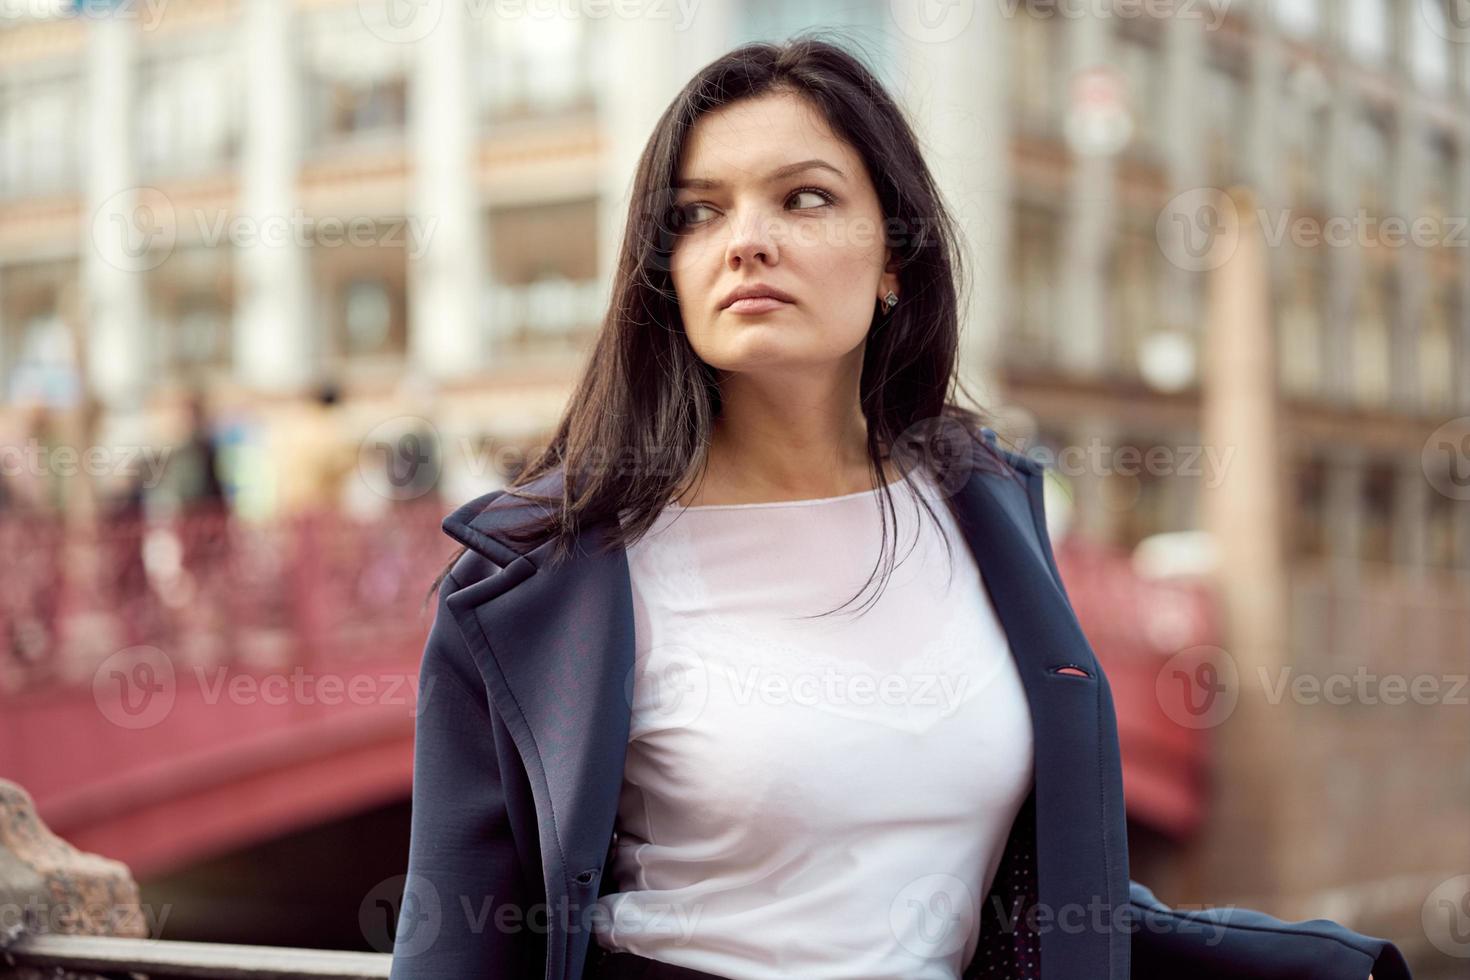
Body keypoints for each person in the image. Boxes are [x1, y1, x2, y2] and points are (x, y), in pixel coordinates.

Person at [388, 39, 1407, 980]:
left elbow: (1034, 892)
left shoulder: (987, 507)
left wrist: (1321, 962)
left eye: (804, 198)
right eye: (697, 212)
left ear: (893, 261)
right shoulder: (541, 572)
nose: (746, 240)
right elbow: (459, 945)